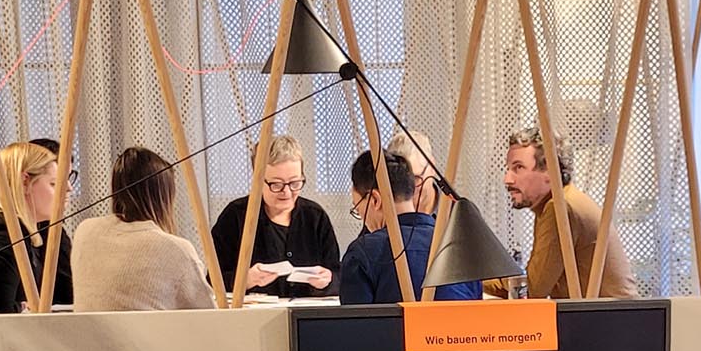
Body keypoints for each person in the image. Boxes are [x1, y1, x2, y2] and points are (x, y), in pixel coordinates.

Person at [73, 147, 217, 312]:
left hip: (87, 330)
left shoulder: (85, 231)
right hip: (150, 330)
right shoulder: (176, 249)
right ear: (164, 197)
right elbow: (207, 316)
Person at [502, 126, 635, 301]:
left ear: (549, 171)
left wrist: (478, 278)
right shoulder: (558, 202)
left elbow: (532, 290)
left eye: (518, 168)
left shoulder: (559, 208)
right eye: (508, 169)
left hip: (606, 316)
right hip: (611, 314)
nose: (507, 179)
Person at [337, 148, 483, 304]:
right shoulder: (460, 248)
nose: (362, 219)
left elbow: (355, 319)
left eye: (358, 208)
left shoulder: (362, 254)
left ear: (375, 200)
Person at [212, 136, 339, 299]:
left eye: (295, 183)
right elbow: (212, 281)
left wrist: (327, 281)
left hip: (306, 312)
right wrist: (246, 280)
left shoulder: (315, 217)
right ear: (258, 180)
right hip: (255, 313)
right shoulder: (235, 216)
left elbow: (338, 276)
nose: (287, 192)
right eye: (276, 185)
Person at [0, 138, 73, 311]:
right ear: (25, 182)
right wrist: (24, 308)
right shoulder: (4, 234)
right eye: (54, 183)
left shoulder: (11, 229)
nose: (68, 189)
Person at [386, 125, 440, 216]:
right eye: (401, 181)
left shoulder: (457, 215)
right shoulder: (383, 216)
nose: (408, 188)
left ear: (432, 167)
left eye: (415, 178)